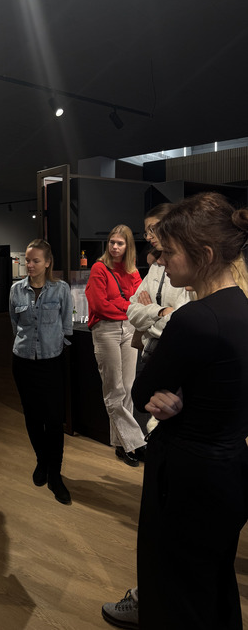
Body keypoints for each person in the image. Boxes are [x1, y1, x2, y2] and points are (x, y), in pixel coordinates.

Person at [132, 192, 248, 630]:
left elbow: (142, 391)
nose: (160, 262)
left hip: (186, 476)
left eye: (169, 252)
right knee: (213, 580)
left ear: (205, 255)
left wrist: (168, 394)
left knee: (174, 590)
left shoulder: (196, 319)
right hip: (230, 471)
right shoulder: (242, 308)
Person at [9, 239, 73, 505]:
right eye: (27, 260)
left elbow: (66, 326)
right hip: (23, 361)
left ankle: (55, 474)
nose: (30, 265)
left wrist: (54, 347)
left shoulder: (61, 289)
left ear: (47, 262)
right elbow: (15, 324)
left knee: (54, 419)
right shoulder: (16, 290)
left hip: (51, 361)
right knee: (32, 416)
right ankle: (41, 461)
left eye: (36, 260)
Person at [85, 225, 145, 467]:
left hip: (129, 328)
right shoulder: (99, 268)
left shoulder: (132, 271)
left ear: (128, 246)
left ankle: (122, 444)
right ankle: (136, 441)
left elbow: (140, 301)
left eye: (120, 243)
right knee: (114, 389)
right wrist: (126, 306)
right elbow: (99, 305)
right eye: (112, 242)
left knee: (128, 387)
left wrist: (122, 304)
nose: (115, 247)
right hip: (106, 329)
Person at [128, 204, 193, 367]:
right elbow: (132, 311)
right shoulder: (156, 267)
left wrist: (147, 327)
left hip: (179, 356)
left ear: (172, 224)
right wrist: (160, 311)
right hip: (151, 355)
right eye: (147, 232)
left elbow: (180, 322)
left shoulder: (189, 266)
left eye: (152, 229)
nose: (148, 237)